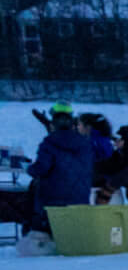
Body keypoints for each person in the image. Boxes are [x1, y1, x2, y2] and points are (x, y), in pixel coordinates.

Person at [23, 99, 93, 251]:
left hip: (52, 204)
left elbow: (41, 169)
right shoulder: (85, 143)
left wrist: (28, 168)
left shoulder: (49, 144)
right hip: (81, 200)